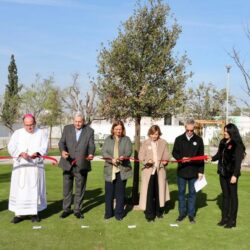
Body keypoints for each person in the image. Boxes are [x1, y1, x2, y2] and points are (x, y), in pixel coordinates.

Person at [8, 114, 48, 223]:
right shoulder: (17, 133)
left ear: (35, 123)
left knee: (34, 190)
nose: (29, 128)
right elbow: (11, 147)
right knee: (20, 190)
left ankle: (34, 213)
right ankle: (19, 214)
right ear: (23, 124)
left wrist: (38, 153)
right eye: (27, 125)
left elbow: (44, 147)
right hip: (21, 168)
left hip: (35, 167)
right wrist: (20, 153)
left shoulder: (41, 133)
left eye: (31, 125)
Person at [58, 112, 95, 219]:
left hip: (82, 164)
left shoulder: (89, 131)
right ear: (73, 121)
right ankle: (66, 209)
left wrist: (91, 153)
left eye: (80, 121)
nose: (78, 124)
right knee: (67, 189)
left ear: (83, 121)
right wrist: (63, 151)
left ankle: (77, 210)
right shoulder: (67, 129)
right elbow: (61, 143)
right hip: (67, 163)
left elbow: (91, 145)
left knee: (80, 188)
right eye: (76, 121)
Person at [210, 123, 246, 228]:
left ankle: (232, 220)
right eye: (224, 131)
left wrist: (235, 175)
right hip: (222, 173)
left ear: (232, 132)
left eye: (226, 131)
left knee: (233, 197)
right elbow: (218, 155)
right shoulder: (222, 142)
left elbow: (238, 162)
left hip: (232, 174)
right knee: (225, 196)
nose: (224, 133)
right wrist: (211, 158)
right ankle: (224, 218)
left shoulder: (237, 144)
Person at [172, 118, 204, 224]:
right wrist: (181, 158)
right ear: (185, 128)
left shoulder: (199, 140)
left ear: (194, 128)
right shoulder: (178, 139)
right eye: (188, 130)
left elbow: (201, 157)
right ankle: (182, 214)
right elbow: (174, 153)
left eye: (192, 130)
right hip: (181, 171)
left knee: (192, 194)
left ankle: (191, 215)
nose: (190, 132)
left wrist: (201, 172)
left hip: (194, 172)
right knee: (181, 193)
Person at [102, 120, 132, 221]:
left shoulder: (126, 139)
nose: (118, 131)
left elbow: (129, 151)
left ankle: (119, 214)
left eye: (120, 129)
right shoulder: (107, 139)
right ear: (113, 130)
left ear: (123, 129)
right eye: (116, 129)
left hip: (122, 169)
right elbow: (104, 152)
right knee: (109, 194)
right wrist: (112, 159)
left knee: (120, 194)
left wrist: (123, 157)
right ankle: (108, 213)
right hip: (110, 169)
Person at [139, 125, 170, 222]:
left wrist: (165, 161)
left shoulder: (163, 143)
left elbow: (166, 156)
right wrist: (147, 161)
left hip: (159, 171)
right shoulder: (144, 143)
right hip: (148, 172)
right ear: (149, 133)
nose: (154, 136)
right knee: (149, 194)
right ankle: (149, 215)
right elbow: (141, 157)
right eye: (152, 134)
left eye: (156, 134)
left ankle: (159, 212)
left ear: (158, 133)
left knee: (159, 193)